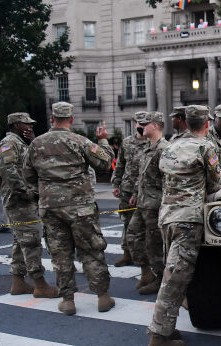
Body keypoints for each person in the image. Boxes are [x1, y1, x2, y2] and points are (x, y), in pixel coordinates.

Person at [23, 102, 116, 316]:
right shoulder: (80, 141)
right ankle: (102, 297)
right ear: (71, 120)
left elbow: (27, 176)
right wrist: (102, 139)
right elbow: (104, 164)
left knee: (60, 254)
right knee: (92, 250)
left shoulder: (36, 144)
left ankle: (67, 300)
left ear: (52, 119)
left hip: (51, 208)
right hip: (80, 207)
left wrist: (43, 195)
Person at [146, 105, 221, 346]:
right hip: (189, 220)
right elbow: (214, 184)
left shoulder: (170, 146)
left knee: (173, 273)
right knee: (174, 280)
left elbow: (161, 178)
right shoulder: (205, 147)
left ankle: (167, 329)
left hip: (166, 218)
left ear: (186, 123)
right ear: (207, 124)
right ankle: (158, 339)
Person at [0, 112, 59, 298]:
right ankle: (40, 284)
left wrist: (33, 141)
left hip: (23, 200)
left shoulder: (21, 143)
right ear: (15, 125)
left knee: (20, 241)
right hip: (20, 201)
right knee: (31, 241)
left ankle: (18, 282)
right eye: (26, 124)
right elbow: (8, 170)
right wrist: (27, 192)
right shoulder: (9, 144)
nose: (30, 126)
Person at [126, 112, 168, 295]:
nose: (140, 126)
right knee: (133, 237)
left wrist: (165, 206)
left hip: (155, 205)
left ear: (157, 126)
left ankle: (160, 280)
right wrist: (136, 193)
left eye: (145, 123)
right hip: (143, 203)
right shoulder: (147, 148)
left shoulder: (164, 149)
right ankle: (146, 273)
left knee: (155, 246)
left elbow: (168, 181)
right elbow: (142, 177)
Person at [111, 111, 149, 267]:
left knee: (144, 225)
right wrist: (115, 184)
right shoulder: (127, 143)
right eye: (139, 123)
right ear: (135, 124)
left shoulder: (151, 143)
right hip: (127, 190)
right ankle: (127, 254)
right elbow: (119, 165)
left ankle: (145, 258)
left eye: (144, 123)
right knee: (126, 223)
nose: (141, 126)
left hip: (145, 191)